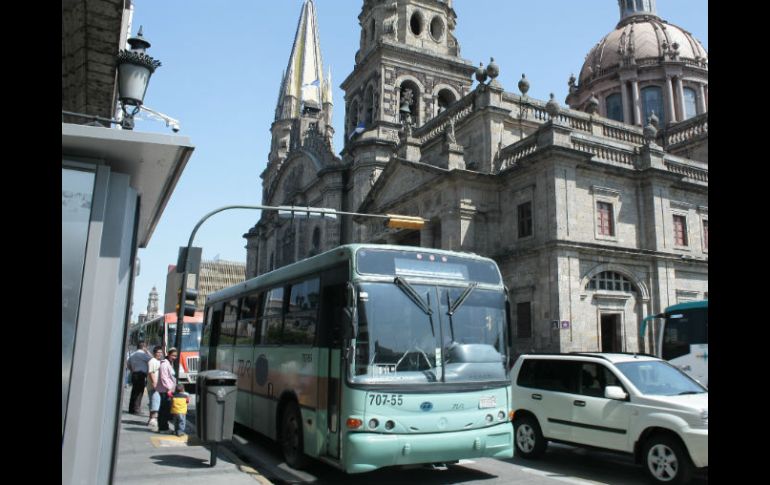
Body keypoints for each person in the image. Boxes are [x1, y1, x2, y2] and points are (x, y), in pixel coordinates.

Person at [155, 347, 178, 433]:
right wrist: (169, 389)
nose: (174, 357)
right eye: (173, 355)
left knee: (164, 408)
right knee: (164, 409)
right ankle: (163, 428)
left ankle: (163, 427)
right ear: (168, 354)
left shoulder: (169, 363)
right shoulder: (165, 364)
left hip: (167, 390)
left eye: (175, 356)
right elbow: (164, 377)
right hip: (165, 390)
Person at [126, 341, 152, 414]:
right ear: (144, 347)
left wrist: (132, 370)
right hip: (141, 374)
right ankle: (137, 409)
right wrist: (148, 352)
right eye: (146, 347)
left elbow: (128, 364)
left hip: (134, 374)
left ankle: (131, 409)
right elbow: (153, 360)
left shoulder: (133, 354)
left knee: (134, 391)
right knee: (139, 392)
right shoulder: (143, 354)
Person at [146, 346, 163, 431]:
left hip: (155, 386)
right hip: (154, 386)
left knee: (154, 402)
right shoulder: (152, 361)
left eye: (161, 352)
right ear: (154, 353)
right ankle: (153, 420)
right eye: (158, 352)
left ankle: (150, 419)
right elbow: (151, 373)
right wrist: (155, 384)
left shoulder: (157, 361)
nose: (160, 354)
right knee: (155, 403)